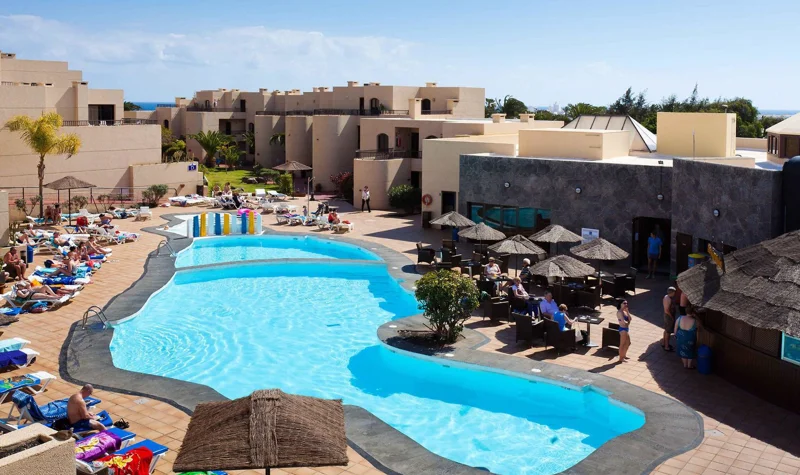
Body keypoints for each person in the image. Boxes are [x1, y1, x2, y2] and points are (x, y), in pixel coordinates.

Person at [662, 286, 676, 352]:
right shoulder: (669, 299)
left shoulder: (666, 296)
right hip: (668, 317)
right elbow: (667, 310)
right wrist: (672, 317)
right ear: (672, 292)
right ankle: (667, 347)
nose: (674, 294)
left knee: (666, 330)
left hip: (666, 316)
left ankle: (663, 343)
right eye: (674, 292)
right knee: (668, 332)